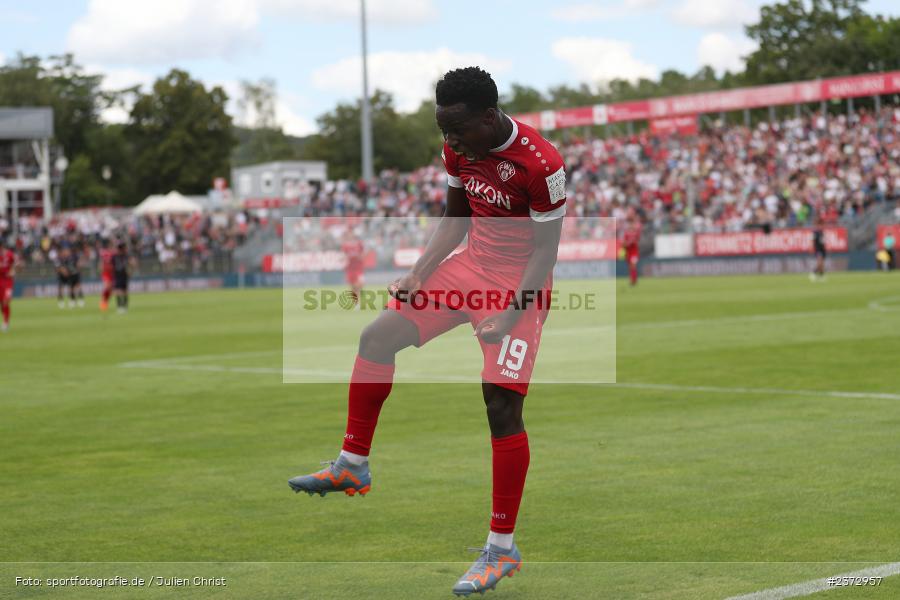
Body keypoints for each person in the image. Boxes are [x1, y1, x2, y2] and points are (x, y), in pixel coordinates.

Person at [288, 67, 566, 596]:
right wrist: (420, 271)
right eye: (443, 129)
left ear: (489, 116)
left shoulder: (542, 164)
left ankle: (501, 550)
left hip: (519, 285)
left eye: (457, 128)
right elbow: (454, 218)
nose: (450, 140)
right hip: (467, 267)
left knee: (501, 405)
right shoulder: (458, 150)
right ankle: (352, 464)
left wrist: (510, 313)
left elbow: (544, 252)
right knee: (376, 338)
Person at [341, 230, 365, 304]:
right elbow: (343, 256)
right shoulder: (345, 245)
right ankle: (356, 302)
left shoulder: (359, 244)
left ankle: (358, 298)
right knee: (352, 286)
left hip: (358, 268)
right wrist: (345, 257)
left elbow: (363, 254)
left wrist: (358, 256)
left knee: (360, 284)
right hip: (350, 268)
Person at [0, 239, 18, 332]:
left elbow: (18, 263)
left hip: (7, 281)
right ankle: (4, 316)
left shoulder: (9, 254)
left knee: (6, 301)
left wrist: (13, 271)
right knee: (2, 304)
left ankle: (6, 323)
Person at [622, 213, 642, 286]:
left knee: (633, 265)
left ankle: (634, 281)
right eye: (630, 224)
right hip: (628, 252)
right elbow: (623, 244)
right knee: (630, 267)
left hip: (634, 252)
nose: (631, 225)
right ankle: (632, 279)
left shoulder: (636, 233)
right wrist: (626, 244)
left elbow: (637, 241)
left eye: (632, 223)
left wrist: (632, 242)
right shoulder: (626, 234)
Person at [112, 242, 132, 313]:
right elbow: (112, 266)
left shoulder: (125, 256)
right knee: (118, 291)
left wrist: (130, 270)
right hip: (117, 275)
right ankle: (121, 306)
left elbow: (131, 264)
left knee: (124, 291)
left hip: (124, 275)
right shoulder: (115, 256)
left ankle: (123, 306)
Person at [98, 239, 116, 312]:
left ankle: (105, 301)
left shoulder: (114, 252)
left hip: (113, 272)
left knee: (111, 289)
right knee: (107, 286)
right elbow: (101, 261)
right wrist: (100, 269)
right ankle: (103, 301)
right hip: (106, 272)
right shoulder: (103, 252)